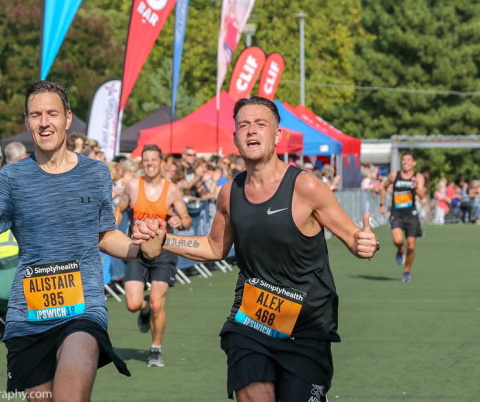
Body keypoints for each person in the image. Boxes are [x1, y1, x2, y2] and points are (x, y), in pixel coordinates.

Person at [139, 96, 378, 400]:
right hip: (252, 318)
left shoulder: (306, 187)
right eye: (244, 125)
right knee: (253, 392)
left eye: (260, 124)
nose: (252, 131)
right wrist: (165, 240)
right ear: (235, 139)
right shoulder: (229, 193)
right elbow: (215, 247)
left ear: (277, 135)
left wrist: (364, 242)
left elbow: (353, 237)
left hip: (307, 325)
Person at [0, 80, 162, 402]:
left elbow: (106, 237)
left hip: (83, 310)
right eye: (35, 115)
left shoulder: (95, 173)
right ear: (27, 122)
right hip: (29, 317)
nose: (44, 122)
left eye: (52, 113)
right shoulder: (12, 178)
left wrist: (140, 250)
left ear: (67, 118)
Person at [114, 144, 191, 367]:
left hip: (163, 251)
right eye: (146, 160)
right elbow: (120, 209)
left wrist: (180, 222)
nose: (149, 164)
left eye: (153, 160)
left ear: (161, 162)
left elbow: (186, 219)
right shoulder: (132, 187)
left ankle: (155, 349)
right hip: (137, 249)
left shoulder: (172, 189)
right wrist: (111, 227)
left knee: (158, 303)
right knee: (132, 303)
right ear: (142, 162)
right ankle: (144, 308)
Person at [379, 152, 426, 282]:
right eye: (403, 159)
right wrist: (382, 204)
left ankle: (407, 271)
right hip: (396, 214)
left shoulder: (418, 176)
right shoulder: (394, 175)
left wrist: (416, 186)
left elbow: (422, 196)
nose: (405, 162)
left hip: (411, 215)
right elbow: (384, 187)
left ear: (414, 163)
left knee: (411, 246)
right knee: (397, 240)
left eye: (408, 160)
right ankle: (400, 249)